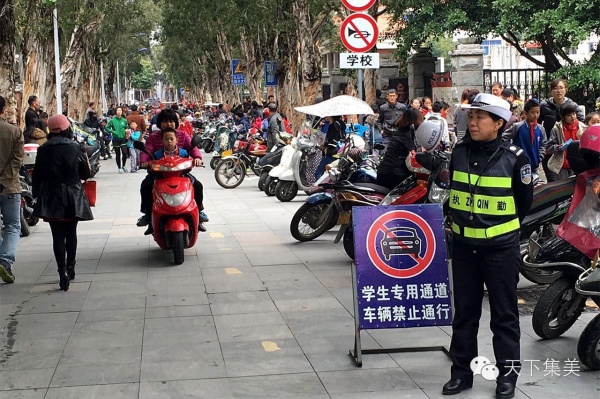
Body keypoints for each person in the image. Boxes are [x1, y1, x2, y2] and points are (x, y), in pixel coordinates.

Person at [441, 93, 533, 399]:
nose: (473, 122)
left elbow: (523, 204)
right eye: (471, 116)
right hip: (465, 249)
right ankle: (461, 374)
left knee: (504, 315)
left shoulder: (515, 158)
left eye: (481, 117)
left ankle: (507, 377)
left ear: (498, 123)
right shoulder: (460, 152)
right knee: (464, 314)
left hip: (500, 251)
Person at [32, 114, 93, 291]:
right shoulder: (76, 147)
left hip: (52, 197)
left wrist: (36, 195)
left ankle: (62, 272)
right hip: (73, 196)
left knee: (57, 236)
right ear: (67, 128)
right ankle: (71, 267)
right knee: (71, 233)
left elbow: (37, 175)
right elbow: (85, 175)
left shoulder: (43, 149)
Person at [137, 109, 207, 234]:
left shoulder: (183, 135)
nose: (168, 124)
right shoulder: (153, 137)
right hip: (158, 174)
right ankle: (148, 215)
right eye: (165, 121)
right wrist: (144, 162)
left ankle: (199, 212)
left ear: (176, 123)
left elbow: (193, 148)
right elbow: (146, 151)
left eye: (171, 121)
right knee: (146, 186)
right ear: (159, 123)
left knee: (197, 185)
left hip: (181, 173)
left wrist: (197, 158)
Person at [0, 96, 24, 284]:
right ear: (3, 111)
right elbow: (17, 160)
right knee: (13, 226)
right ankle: (5, 261)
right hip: (9, 187)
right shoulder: (14, 131)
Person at [376, 108, 423, 189]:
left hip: (383, 172)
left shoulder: (399, 132)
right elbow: (415, 155)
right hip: (397, 175)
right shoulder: (410, 135)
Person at [503, 99, 547, 176]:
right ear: (526, 113)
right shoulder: (518, 127)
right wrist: (512, 151)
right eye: (532, 112)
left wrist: (539, 157)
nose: (535, 115)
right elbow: (504, 137)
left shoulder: (540, 129)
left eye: (537, 112)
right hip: (518, 163)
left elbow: (543, 144)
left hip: (534, 164)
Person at [545, 104, 587, 181]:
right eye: (569, 115)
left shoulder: (583, 127)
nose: (573, 117)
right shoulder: (557, 129)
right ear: (563, 117)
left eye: (574, 114)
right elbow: (549, 146)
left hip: (578, 163)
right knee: (562, 189)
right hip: (562, 164)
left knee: (577, 188)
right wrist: (559, 147)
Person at [105, 107, 129, 173]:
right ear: (116, 112)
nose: (119, 112)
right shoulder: (112, 120)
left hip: (123, 138)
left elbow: (127, 127)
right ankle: (119, 167)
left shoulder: (124, 120)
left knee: (125, 153)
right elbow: (107, 128)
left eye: (120, 110)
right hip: (115, 139)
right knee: (118, 154)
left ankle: (124, 165)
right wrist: (113, 132)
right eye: (118, 110)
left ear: (122, 111)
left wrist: (126, 131)